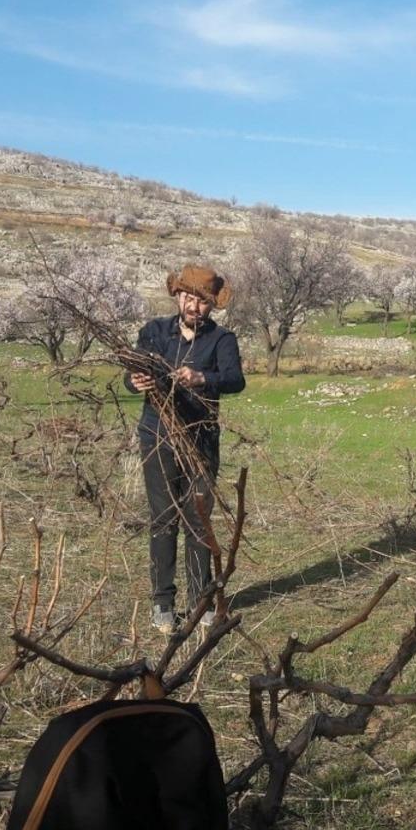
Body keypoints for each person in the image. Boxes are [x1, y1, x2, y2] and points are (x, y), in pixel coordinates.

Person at [125, 265, 245, 632]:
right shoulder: (154, 332)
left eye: (202, 302)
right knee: (163, 519)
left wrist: (202, 378)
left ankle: (200, 601)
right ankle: (162, 603)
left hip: (201, 439)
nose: (194, 306)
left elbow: (235, 380)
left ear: (212, 306)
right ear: (177, 296)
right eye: (189, 298)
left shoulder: (222, 340)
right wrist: (135, 381)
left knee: (198, 520)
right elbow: (131, 376)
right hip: (157, 436)